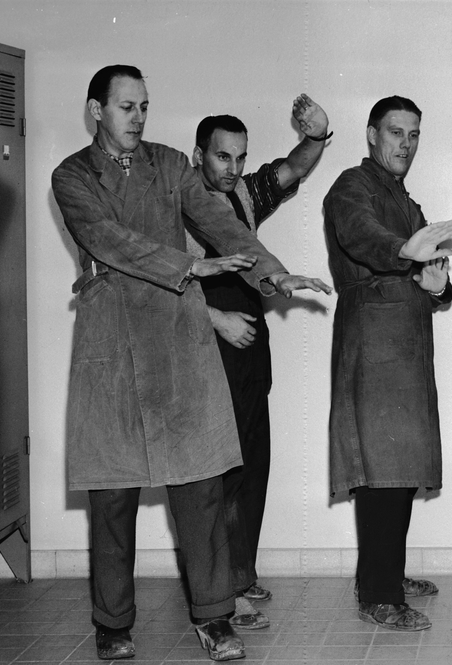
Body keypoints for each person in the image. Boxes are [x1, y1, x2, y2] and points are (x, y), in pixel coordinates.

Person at [52, 65, 329, 662]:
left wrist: (273, 274)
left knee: (201, 484)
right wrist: (188, 267)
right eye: (126, 107)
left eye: (144, 106)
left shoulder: (171, 164)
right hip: (111, 340)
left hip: (177, 340)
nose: (138, 118)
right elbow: (105, 238)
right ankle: (113, 623)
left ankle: (214, 616)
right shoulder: (72, 175)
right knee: (113, 494)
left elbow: (222, 223)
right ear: (97, 110)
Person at [185, 96, 331, 631]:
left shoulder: (242, 196)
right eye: (222, 157)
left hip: (249, 354)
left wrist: (316, 135)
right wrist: (216, 320)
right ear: (198, 155)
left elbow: (292, 169)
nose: (233, 168)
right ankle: (219, 591)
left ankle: (240, 574)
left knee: (251, 468)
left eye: (241, 157)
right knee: (218, 474)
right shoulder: (176, 208)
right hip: (206, 353)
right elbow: (163, 286)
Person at [322, 96, 452, 631]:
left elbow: (431, 273)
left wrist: (439, 284)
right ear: (371, 135)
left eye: (414, 134)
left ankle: (385, 575)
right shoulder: (351, 187)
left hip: (406, 343)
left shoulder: (405, 200)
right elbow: (362, 234)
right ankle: (379, 595)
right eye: (396, 132)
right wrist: (407, 251)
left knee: (399, 468)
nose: (406, 143)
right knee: (381, 469)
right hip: (374, 341)